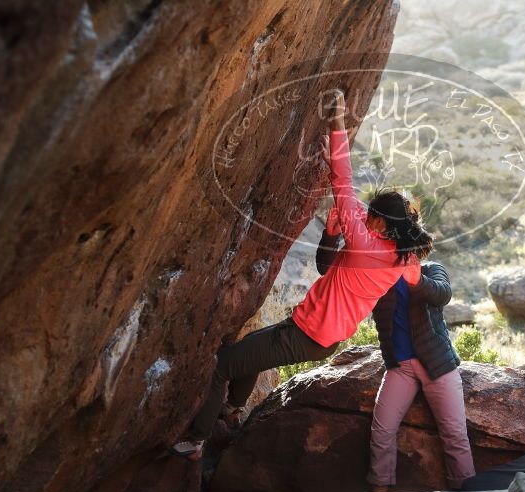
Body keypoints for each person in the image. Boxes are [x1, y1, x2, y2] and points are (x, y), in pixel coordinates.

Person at [171, 91, 431, 458]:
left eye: (372, 215)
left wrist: (337, 122)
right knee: (250, 352)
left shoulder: (365, 242)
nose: (365, 216)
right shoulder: (401, 258)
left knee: (222, 365)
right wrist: (332, 231)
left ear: (383, 225)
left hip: (308, 333)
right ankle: (231, 411)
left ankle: (196, 442)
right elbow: (330, 263)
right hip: (319, 334)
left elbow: (343, 181)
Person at [316, 200, 475, 492]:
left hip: (437, 365)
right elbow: (328, 269)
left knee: (455, 435)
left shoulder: (431, 268)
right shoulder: (377, 271)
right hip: (400, 367)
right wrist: (331, 234)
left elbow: (443, 294)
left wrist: (416, 280)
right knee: (381, 430)